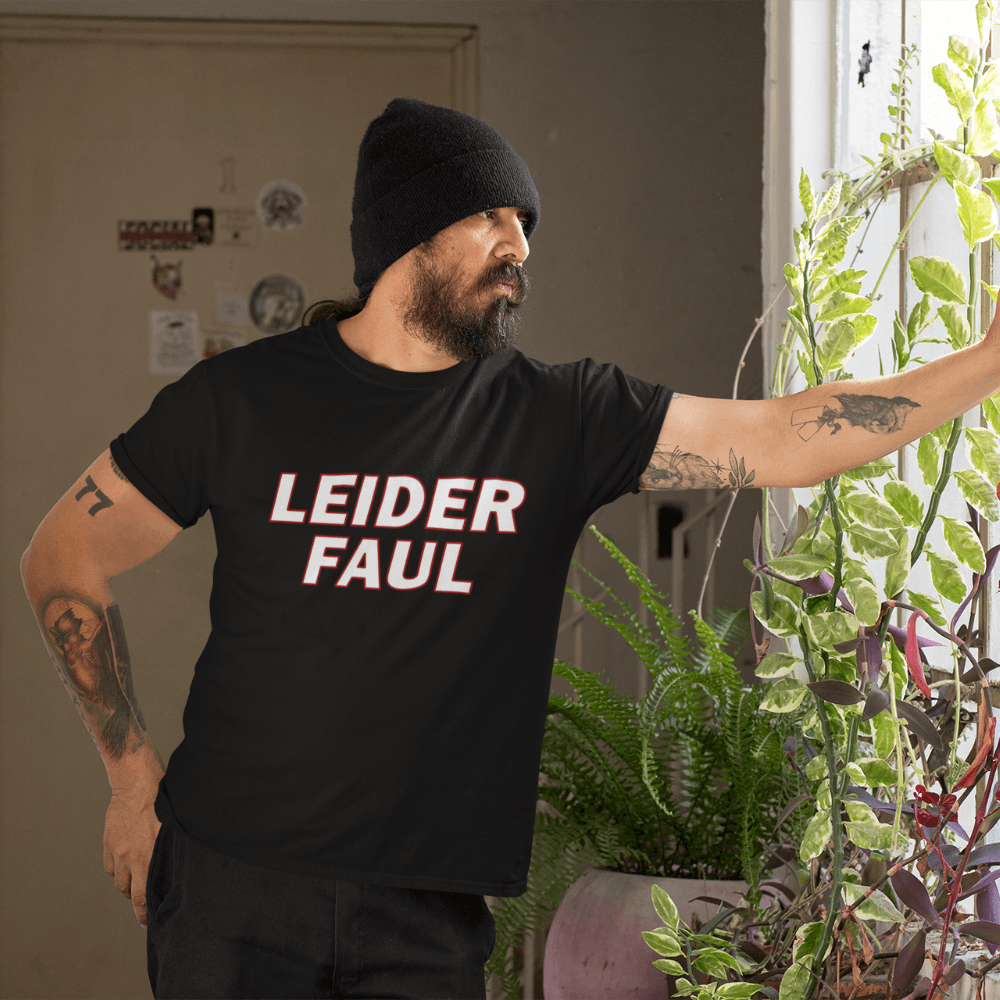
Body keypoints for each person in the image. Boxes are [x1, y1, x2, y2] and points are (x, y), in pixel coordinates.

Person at [19, 96, 1000, 1000]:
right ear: (407, 229)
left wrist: (988, 361)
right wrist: (131, 779)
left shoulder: (559, 417)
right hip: (230, 884)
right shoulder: (240, 401)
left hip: (428, 908)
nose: (519, 244)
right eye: (491, 215)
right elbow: (63, 557)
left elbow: (785, 438)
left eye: (525, 223)